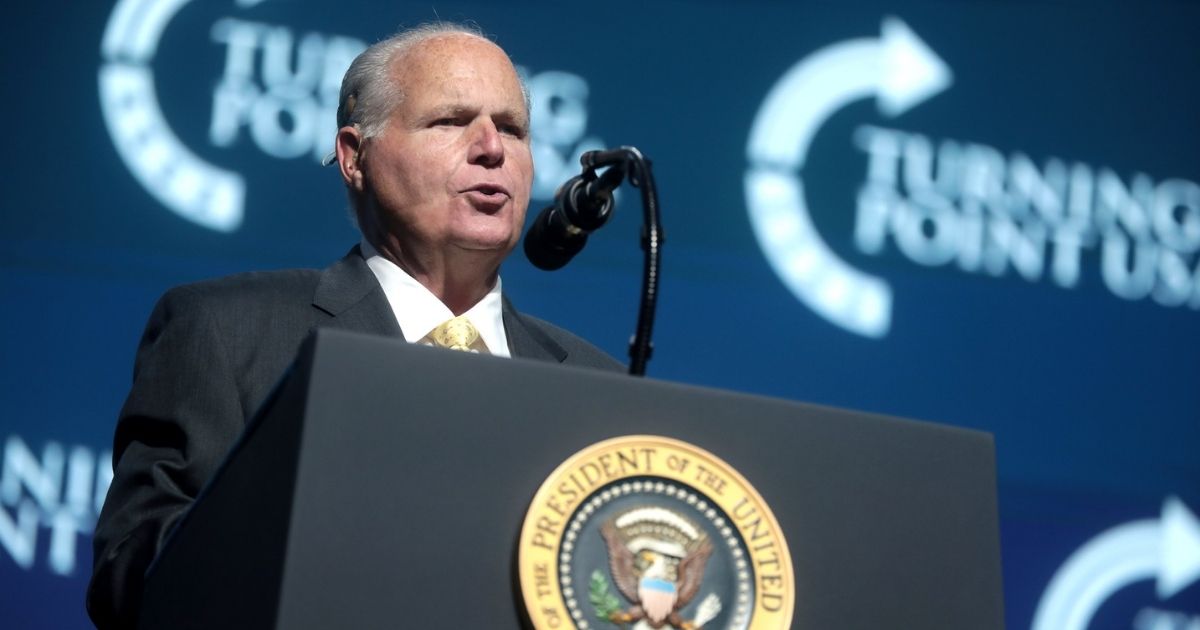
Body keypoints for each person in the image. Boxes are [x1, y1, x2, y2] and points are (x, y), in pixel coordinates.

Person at [87, 23, 622, 628]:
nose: (491, 148)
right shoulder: (227, 331)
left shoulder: (599, 386)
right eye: (449, 121)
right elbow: (131, 576)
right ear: (354, 155)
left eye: (512, 128)